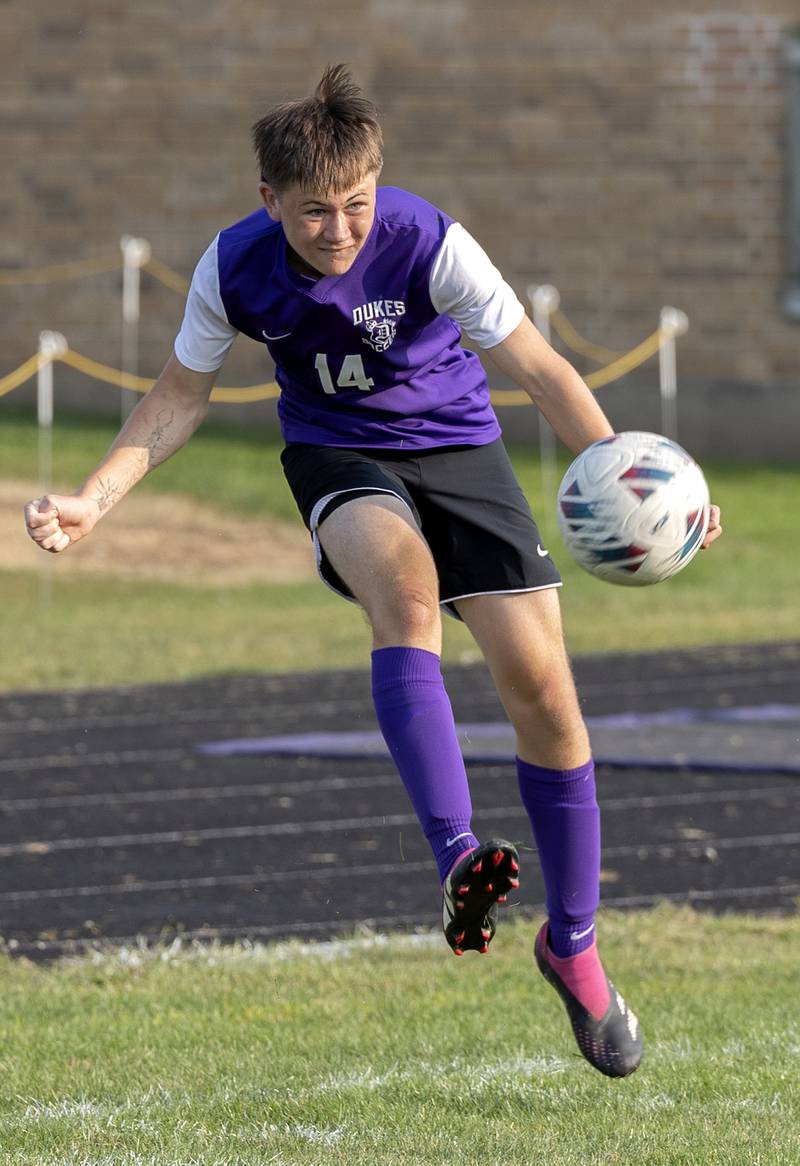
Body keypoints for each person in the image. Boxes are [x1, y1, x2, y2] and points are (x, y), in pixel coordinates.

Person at [24, 65, 721, 1078]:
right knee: (403, 597)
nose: (340, 231)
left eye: (355, 206)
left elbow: (540, 370)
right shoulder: (233, 266)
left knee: (548, 700)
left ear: (377, 184)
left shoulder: (428, 240)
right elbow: (176, 395)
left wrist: (635, 488)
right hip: (336, 457)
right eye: (314, 213)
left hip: (460, 450)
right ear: (269, 200)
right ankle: (457, 860)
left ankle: (571, 943)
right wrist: (94, 493)